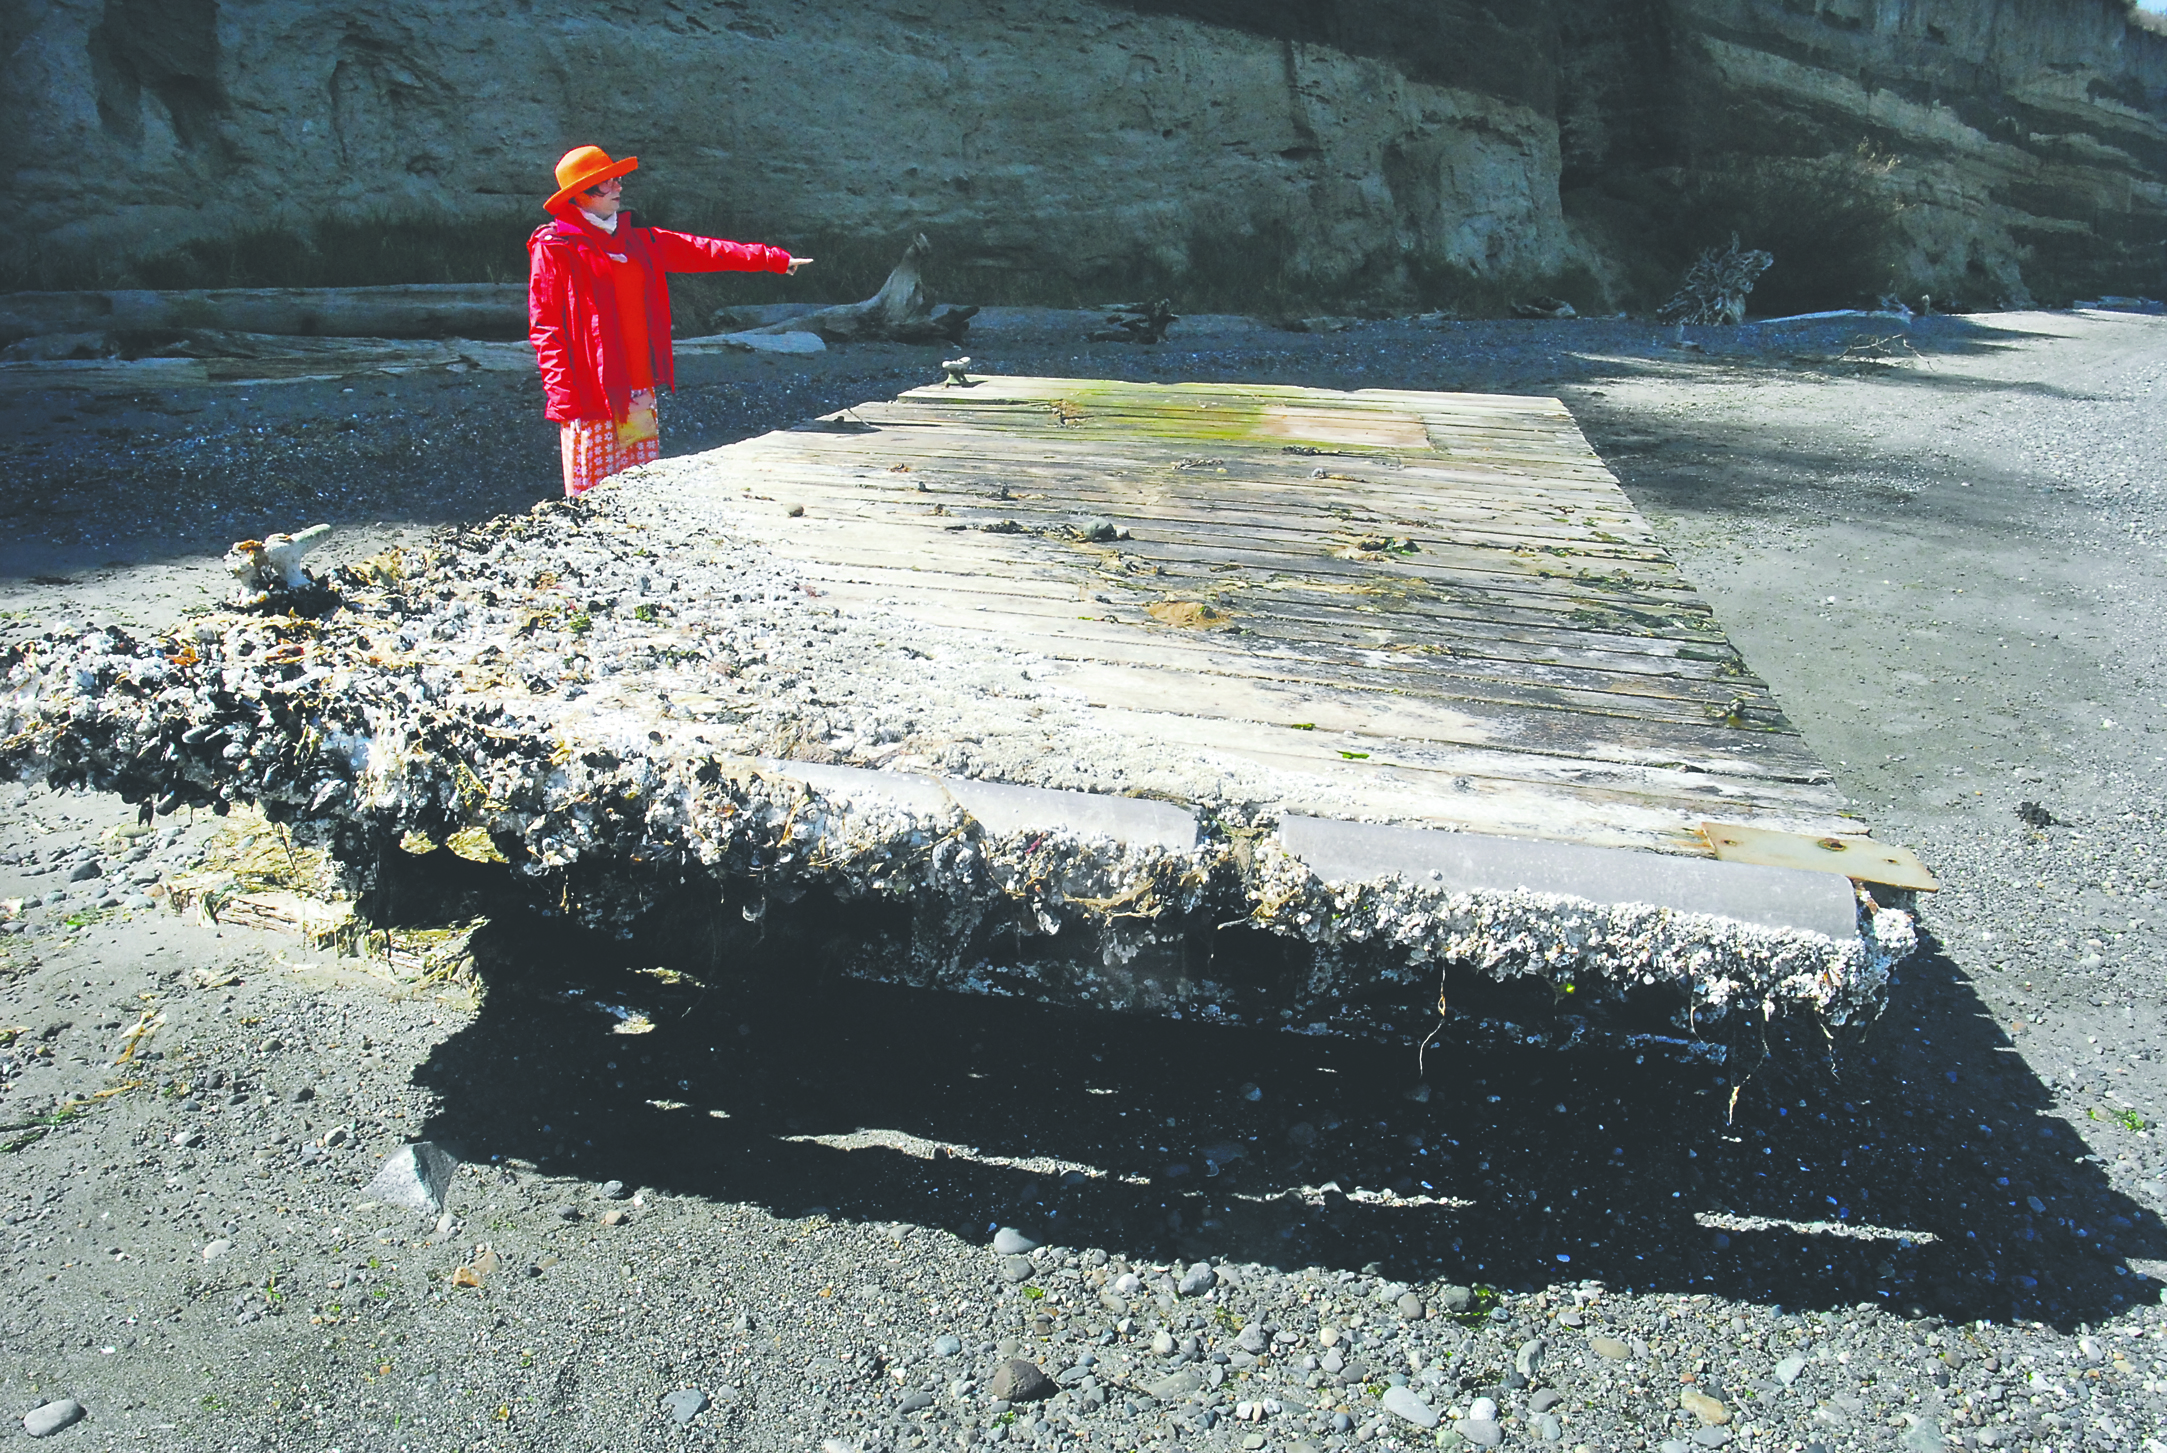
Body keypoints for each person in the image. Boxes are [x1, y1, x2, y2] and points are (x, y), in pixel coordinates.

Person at [527, 145, 812, 498]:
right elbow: (546, 328)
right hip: (591, 395)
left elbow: (704, 250)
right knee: (591, 501)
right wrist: (562, 396)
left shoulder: (638, 240)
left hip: (639, 386)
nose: (618, 187)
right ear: (579, 196)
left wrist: (773, 259)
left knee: (641, 490)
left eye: (617, 179)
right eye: (606, 183)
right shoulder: (555, 247)